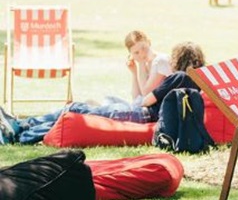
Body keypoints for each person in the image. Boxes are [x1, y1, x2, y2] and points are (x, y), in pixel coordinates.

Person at [8, 41, 205, 144]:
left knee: (75, 109)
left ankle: (22, 129)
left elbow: (146, 101)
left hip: (140, 114)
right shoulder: (198, 83)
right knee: (82, 109)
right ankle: (22, 127)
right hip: (145, 116)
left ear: (178, 58)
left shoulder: (178, 77)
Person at [124, 30, 172, 104]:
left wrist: (140, 63)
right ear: (131, 54)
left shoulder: (160, 61)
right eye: (136, 53)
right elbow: (136, 98)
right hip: (147, 108)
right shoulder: (145, 65)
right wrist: (134, 73)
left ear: (149, 43)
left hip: (161, 108)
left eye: (143, 48)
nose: (142, 54)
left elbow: (146, 93)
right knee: (110, 100)